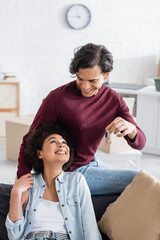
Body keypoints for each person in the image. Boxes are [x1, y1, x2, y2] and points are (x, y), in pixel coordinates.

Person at [17, 43, 146, 195]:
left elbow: (141, 143)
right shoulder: (57, 98)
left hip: (91, 162)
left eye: (92, 81)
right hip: (67, 172)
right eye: (80, 78)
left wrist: (131, 129)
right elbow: (29, 140)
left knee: (143, 180)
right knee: (137, 179)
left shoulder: (113, 99)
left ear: (106, 75)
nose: (85, 87)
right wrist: (21, 186)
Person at [6, 123, 102, 240]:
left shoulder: (76, 181)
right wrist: (15, 192)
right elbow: (14, 236)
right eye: (53, 141)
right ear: (39, 153)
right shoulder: (27, 183)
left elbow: (90, 226)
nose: (61, 145)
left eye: (64, 142)